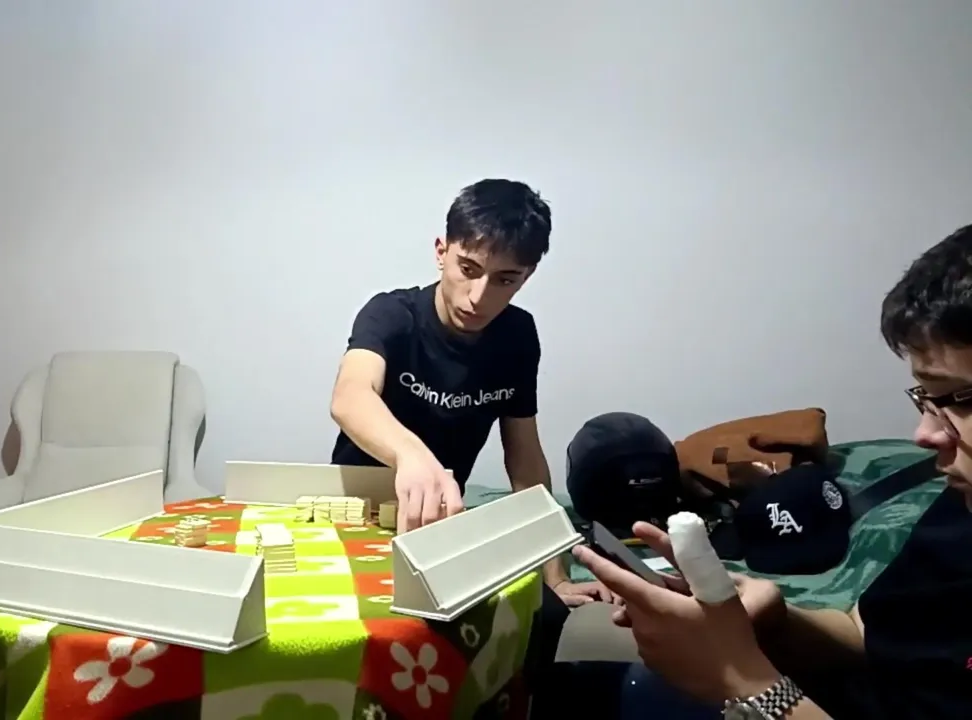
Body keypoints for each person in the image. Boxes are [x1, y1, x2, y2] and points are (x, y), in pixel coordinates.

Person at [571, 224, 972, 719]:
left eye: (960, 400)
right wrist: (770, 617)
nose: (926, 435)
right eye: (926, 398)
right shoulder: (961, 505)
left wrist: (741, 679)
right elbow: (868, 632)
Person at [329, 178, 610, 604]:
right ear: (441, 252)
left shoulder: (518, 335)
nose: (479, 297)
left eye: (505, 280)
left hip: (438, 520)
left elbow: (525, 458)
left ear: (527, 277)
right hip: (358, 509)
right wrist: (412, 455)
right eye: (468, 269)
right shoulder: (391, 314)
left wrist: (555, 577)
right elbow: (350, 396)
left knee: (537, 617)